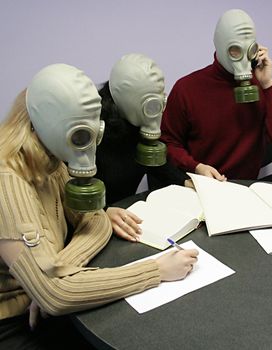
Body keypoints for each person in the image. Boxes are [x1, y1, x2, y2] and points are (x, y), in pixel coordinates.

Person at [0, 63, 198, 348]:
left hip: (45, 303)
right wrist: (156, 271)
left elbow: (96, 220)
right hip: (15, 322)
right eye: (82, 137)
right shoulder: (8, 182)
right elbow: (55, 296)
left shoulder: (50, 157)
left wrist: (53, 274)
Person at [160, 8, 272, 180]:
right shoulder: (187, 88)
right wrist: (196, 167)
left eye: (250, 49)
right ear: (220, 46)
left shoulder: (260, 85)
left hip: (245, 190)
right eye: (235, 50)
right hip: (202, 187)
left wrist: (268, 86)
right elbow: (168, 143)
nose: (243, 59)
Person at [97, 53, 189, 242]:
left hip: (129, 221)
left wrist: (190, 183)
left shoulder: (137, 119)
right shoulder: (89, 133)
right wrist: (102, 214)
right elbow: (65, 194)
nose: (157, 111)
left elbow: (155, 162)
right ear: (126, 98)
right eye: (150, 103)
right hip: (93, 228)